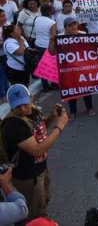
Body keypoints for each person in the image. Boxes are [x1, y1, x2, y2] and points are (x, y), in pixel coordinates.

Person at [0, 84, 68, 223]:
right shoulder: (14, 125)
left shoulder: (34, 111)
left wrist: (52, 117)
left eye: (25, 104)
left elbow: (39, 126)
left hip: (40, 169)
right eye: (17, 106)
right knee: (31, 214)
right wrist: (59, 126)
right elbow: (38, 150)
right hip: (27, 177)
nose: (22, 109)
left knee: (42, 202)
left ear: (31, 98)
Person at [58, 17, 95, 121]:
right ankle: (73, 112)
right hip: (68, 69)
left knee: (86, 88)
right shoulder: (60, 37)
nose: (73, 27)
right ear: (65, 27)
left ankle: (89, 108)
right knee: (71, 90)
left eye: (74, 24)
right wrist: (52, 41)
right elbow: (52, 52)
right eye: (70, 25)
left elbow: (90, 48)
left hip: (82, 67)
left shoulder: (82, 34)